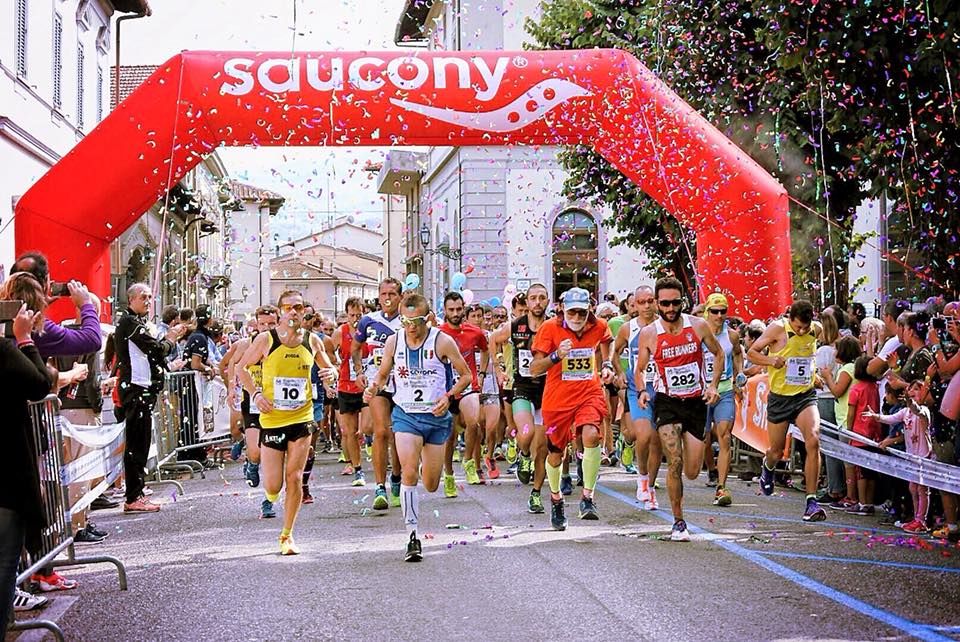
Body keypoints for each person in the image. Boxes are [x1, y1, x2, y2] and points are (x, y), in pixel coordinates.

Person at [363, 293, 473, 561]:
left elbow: (466, 375)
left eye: (417, 321)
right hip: (406, 415)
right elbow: (382, 373)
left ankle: (427, 465)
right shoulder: (394, 341)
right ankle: (412, 536)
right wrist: (373, 386)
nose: (411, 327)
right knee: (409, 472)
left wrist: (448, 397)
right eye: (405, 321)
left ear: (429, 319)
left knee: (431, 483)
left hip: (435, 419)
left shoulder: (442, 341)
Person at [237, 290, 337, 555]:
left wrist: (331, 375)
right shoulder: (265, 339)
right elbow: (240, 369)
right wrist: (256, 394)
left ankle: (287, 535)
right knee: (274, 485)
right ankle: (270, 497)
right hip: (272, 418)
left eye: (299, 307)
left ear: (305, 311)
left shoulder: (312, 340)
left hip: (302, 417)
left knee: (293, 477)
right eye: (289, 307)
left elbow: (329, 368)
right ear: (280, 311)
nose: (294, 311)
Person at [632, 277, 724, 541]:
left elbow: (718, 354)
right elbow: (639, 369)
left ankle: (682, 491)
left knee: (692, 471)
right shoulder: (649, 333)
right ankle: (678, 522)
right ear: (657, 304)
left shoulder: (698, 326)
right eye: (665, 304)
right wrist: (641, 392)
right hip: (667, 402)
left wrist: (714, 385)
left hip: (695, 401)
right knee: (675, 461)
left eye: (675, 303)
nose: (670, 308)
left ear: (683, 301)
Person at [530, 287, 616, 529]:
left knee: (591, 435)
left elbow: (605, 341)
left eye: (581, 312)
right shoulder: (549, 328)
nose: (577, 318)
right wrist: (557, 355)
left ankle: (588, 497)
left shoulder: (598, 325)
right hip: (557, 400)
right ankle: (556, 498)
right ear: (562, 310)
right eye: (572, 313)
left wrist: (607, 364)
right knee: (555, 455)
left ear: (589, 310)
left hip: (588, 393)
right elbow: (535, 368)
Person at [0, 281, 59, 630]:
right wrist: (23, 338)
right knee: (5, 561)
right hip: (6, 473)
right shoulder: (3, 351)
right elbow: (39, 384)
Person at [747, 300, 827, 522]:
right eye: (798, 327)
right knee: (776, 451)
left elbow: (808, 358)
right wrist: (771, 360)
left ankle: (811, 502)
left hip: (804, 396)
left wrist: (814, 375)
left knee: (813, 440)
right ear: (790, 319)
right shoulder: (777, 329)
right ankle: (768, 466)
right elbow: (751, 353)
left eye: (805, 327)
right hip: (780, 398)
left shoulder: (816, 329)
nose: (802, 331)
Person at [115, 283, 186, 513]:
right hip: (136, 389)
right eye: (143, 297)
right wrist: (171, 339)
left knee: (142, 441)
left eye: (149, 297)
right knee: (137, 442)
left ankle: (138, 489)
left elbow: (155, 354)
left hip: (145, 388)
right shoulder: (129, 322)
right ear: (131, 299)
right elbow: (155, 348)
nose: (147, 301)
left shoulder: (140, 322)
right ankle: (133, 496)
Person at [489, 283, 550, 514]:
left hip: (547, 390)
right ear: (527, 302)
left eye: (541, 298)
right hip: (522, 386)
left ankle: (535, 494)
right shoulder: (516, 326)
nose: (537, 302)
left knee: (542, 447)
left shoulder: (554, 326)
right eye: (533, 298)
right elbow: (493, 340)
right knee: (526, 433)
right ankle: (523, 455)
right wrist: (499, 368)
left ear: (547, 301)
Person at [352, 278, 404, 510]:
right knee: (381, 430)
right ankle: (380, 486)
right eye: (384, 294)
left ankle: (397, 478)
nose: (388, 298)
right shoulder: (368, 321)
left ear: (400, 296)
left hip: (404, 384)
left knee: (399, 434)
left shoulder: (408, 321)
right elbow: (355, 348)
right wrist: (359, 371)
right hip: (377, 383)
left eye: (392, 294)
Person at [612, 285, 661, 509]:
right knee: (644, 435)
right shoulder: (627, 328)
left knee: (659, 443)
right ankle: (642, 479)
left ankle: (650, 487)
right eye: (642, 302)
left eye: (651, 301)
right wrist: (620, 372)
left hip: (663, 389)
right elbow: (615, 354)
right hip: (636, 388)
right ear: (634, 305)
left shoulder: (665, 326)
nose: (647, 306)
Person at [867, 380, 932, 533]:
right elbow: (891, 418)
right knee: (913, 488)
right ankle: (916, 518)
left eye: (918, 389)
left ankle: (921, 520)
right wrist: (876, 416)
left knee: (922, 489)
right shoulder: (905, 412)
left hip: (924, 457)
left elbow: (919, 412)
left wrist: (911, 403)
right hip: (911, 457)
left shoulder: (924, 411)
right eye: (911, 389)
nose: (913, 391)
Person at [438, 292, 488, 491]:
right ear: (445, 310)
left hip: (468, 385)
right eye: (451, 310)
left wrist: (482, 373)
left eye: (459, 309)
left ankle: (468, 461)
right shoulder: (438, 333)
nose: (456, 313)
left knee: (473, 421)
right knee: (449, 436)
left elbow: (485, 349)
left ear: (464, 308)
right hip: (446, 388)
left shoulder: (474, 332)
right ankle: (448, 474)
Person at [226, 306, 279, 493]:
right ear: (256, 324)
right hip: (252, 401)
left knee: (274, 455)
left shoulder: (283, 344)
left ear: (278, 322)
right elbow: (233, 364)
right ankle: (252, 463)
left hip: (276, 403)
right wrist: (232, 388)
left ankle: (269, 497)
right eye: (262, 324)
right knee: (256, 452)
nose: (266, 328)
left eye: (271, 323)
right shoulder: (246, 344)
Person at [11, 253, 102, 359]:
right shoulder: (37, 327)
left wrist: (39, 305)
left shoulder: (9, 313)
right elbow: (93, 340)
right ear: (45, 286)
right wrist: (86, 303)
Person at [699, 293, 743, 507]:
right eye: (715, 311)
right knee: (703, 438)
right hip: (700, 392)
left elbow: (737, 353)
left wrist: (739, 375)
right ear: (707, 311)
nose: (719, 315)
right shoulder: (697, 332)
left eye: (723, 311)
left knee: (724, 436)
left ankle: (722, 487)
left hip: (724, 390)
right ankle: (711, 469)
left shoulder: (732, 335)